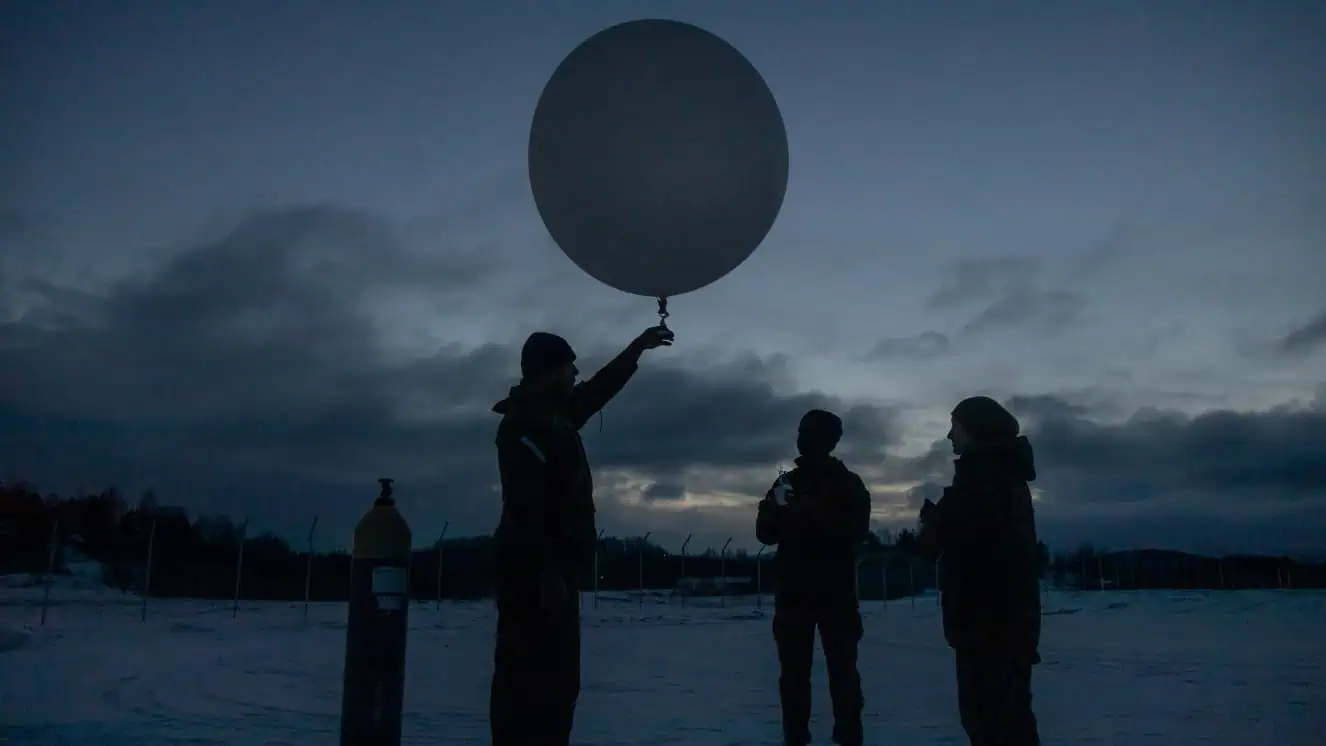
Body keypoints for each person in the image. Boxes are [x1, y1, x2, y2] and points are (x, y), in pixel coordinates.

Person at [488, 325, 673, 746]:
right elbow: (528, 507)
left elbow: (597, 391)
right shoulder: (527, 426)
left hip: (551, 573)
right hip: (535, 575)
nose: (575, 372)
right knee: (530, 683)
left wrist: (635, 349)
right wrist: (548, 575)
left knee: (555, 683)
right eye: (569, 366)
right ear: (549, 370)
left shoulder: (553, 416)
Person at [918, 395, 1042, 746]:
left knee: (992, 722)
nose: (948, 436)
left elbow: (973, 543)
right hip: (1002, 623)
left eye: (955, 427)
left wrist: (936, 523)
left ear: (974, 430)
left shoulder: (983, 480)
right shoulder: (1000, 477)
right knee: (1008, 719)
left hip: (988, 624)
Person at [756, 409, 873, 746]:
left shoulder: (847, 483)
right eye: (801, 431)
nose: (803, 438)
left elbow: (857, 530)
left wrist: (812, 512)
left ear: (829, 439)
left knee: (843, 674)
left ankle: (849, 737)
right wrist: (772, 514)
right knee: (793, 677)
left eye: (810, 432)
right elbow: (766, 533)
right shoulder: (786, 482)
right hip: (794, 593)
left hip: (835, 593)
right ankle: (795, 737)